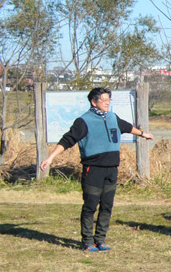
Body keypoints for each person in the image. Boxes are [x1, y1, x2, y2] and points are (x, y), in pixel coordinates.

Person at [40, 87, 154, 251]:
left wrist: (144, 134)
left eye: (109, 100)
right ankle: (87, 241)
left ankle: (100, 240)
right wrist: (50, 158)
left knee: (107, 206)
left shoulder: (112, 117)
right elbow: (67, 140)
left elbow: (127, 127)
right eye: (104, 100)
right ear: (94, 102)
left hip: (111, 169)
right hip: (93, 169)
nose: (107, 103)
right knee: (90, 206)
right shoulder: (83, 121)